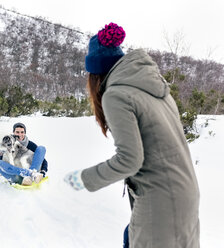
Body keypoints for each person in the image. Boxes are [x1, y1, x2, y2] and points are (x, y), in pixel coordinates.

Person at [64, 23, 200, 247]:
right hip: (186, 192)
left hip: (160, 201)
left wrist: (83, 179)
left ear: (95, 74)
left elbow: (129, 160)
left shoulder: (116, 95)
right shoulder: (158, 89)